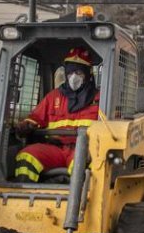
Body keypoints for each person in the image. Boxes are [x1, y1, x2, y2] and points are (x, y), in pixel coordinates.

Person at [14, 47, 100, 182]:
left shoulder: (99, 99)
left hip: (82, 149)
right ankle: (21, 197)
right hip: (55, 148)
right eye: (70, 72)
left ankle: (78, 200)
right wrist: (26, 125)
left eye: (79, 72)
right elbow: (36, 118)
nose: (74, 77)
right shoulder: (54, 96)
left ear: (88, 74)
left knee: (81, 163)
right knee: (27, 155)